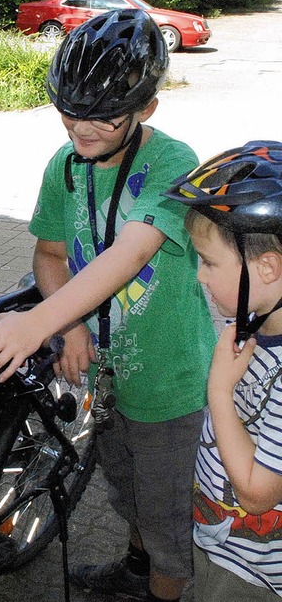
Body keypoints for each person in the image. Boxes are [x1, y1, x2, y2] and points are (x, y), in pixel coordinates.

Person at [0, 9, 216, 602]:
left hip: (170, 381)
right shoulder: (66, 165)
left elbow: (130, 255)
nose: (80, 127)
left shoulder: (175, 164)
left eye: (103, 115)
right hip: (101, 374)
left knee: (167, 515)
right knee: (125, 489)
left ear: (146, 108)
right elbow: (50, 256)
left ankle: (162, 587)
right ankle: (136, 570)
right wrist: (71, 322)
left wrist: (37, 325)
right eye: (68, 109)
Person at [164, 141, 282, 601]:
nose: (200, 276)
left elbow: (256, 494)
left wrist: (218, 390)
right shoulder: (251, 322)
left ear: (268, 267)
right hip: (225, 543)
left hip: (254, 573)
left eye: (210, 262)